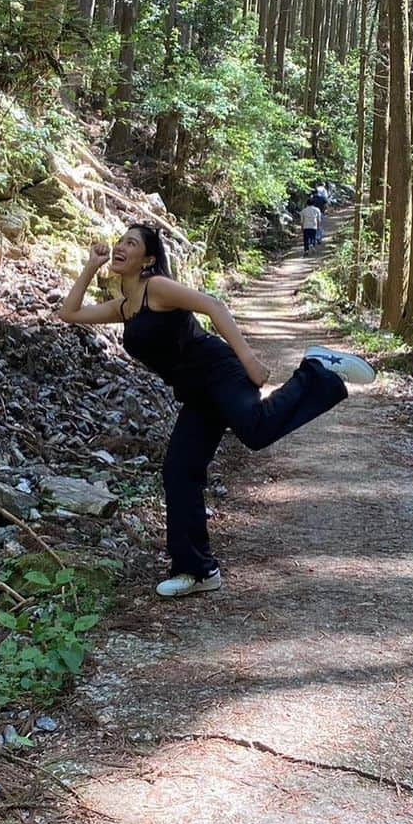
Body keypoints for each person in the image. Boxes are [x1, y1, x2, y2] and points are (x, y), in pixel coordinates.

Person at [58, 224, 376, 598]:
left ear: (147, 259)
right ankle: (198, 570)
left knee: (255, 430)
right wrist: (91, 267)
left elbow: (213, 305)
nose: (120, 247)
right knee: (179, 470)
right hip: (196, 392)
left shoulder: (156, 288)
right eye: (120, 241)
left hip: (219, 371)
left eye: (132, 243)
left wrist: (249, 358)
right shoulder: (125, 307)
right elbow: (69, 312)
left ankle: (316, 369)